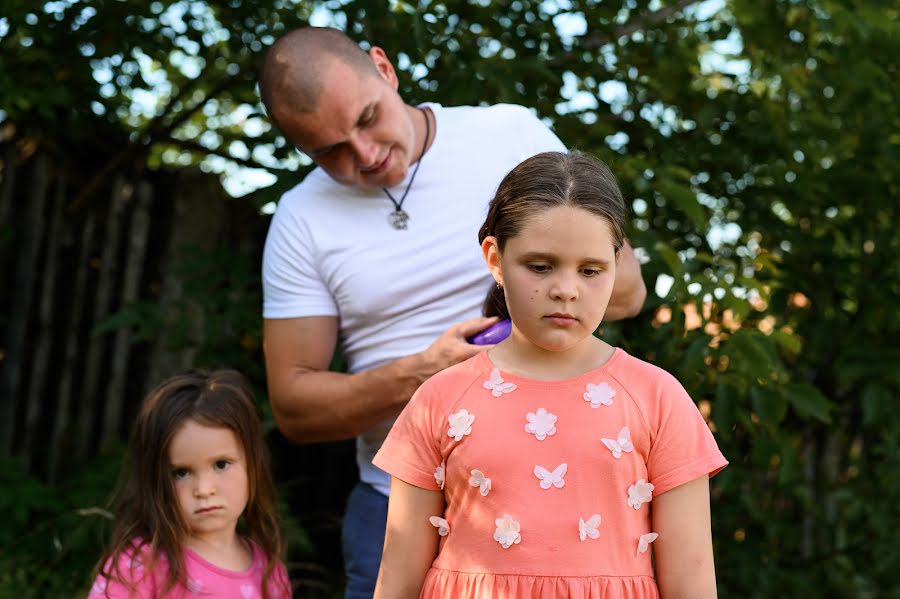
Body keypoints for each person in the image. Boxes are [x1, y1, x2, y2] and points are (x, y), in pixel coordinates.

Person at [257, 27, 647, 597]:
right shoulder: (299, 219)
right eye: (329, 151)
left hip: (556, 497)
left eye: (367, 118)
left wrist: (508, 330)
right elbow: (295, 411)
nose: (364, 156)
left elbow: (627, 290)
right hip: (399, 508)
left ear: (384, 69)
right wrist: (421, 372)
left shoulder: (507, 134)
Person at [372, 151, 728, 599]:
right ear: (495, 259)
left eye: (591, 270)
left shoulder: (657, 398)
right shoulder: (440, 398)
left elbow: (692, 580)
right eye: (540, 266)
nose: (565, 289)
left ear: (617, 265)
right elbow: (397, 577)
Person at [86, 370, 291, 599]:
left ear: (253, 463)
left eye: (221, 465)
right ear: (155, 480)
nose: (204, 490)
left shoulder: (271, 572)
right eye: (181, 473)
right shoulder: (140, 567)